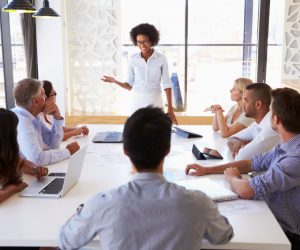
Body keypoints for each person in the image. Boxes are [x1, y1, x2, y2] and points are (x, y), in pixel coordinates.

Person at [59, 107, 233, 250]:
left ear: (125, 150)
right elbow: (224, 235)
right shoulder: (198, 203)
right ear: (167, 149)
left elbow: (65, 241)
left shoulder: (102, 204)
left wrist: (83, 211)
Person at [186, 88, 300, 250]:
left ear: (276, 120)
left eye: (271, 110)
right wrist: (208, 170)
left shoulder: (295, 158)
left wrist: (233, 178)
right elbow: (250, 163)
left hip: (287, 234)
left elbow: (247, 189)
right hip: (272, 219)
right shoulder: (286, 144)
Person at [101, 23, 178, 124]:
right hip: (137, 102)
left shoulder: (161, 58)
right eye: (139, 42)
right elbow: (130, 86)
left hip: (156, 101)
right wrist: (115, 81)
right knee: (136, 132)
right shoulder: (133, 59)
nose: (142, 45)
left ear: (152, 40)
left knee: (156, 130)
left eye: (145, 41)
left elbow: (167, 84)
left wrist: (170, 109)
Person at [12, 78, 80, 166]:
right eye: (43, 95)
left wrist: (57, 118)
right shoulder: (21, 122)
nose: (46, 98)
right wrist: (68, 151)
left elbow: (53, 144)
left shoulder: (33, 117)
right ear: (35, 101)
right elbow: (37, 159)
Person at [0, 108, 48, 203]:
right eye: (15, 130)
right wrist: (13, 188)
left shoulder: (6, 152)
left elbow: (20, 163)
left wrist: (35, 169)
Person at [227, 83, 279, 160]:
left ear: (258, 104)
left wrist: (241, 148)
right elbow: (231, 138)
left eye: (246, 101)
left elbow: (240, 158)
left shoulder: (271, 127)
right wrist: (237, 143)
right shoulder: (257, 124)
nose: (243, 104)